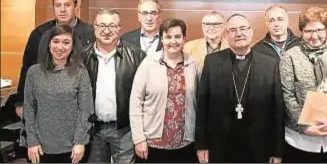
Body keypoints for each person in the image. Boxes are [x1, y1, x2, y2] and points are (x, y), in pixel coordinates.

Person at [195, 14, 284, 163]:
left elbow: (278, 110)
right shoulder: (212, 61)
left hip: (258, 146)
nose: (239, 34)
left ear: (251, 31)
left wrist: (277, 151)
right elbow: (203, 104)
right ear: (226, 35)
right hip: (221, 145)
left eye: (243, 28)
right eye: (233, 30)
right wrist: (201, 144)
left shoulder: (270, 64)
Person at [280, 7, 327, 163]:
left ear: (326, 29)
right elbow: (287, 95)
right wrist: (304, 126)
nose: (314, 36)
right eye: (308, 31)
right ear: (301, 31)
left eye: (320, 30)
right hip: (300, 139)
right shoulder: (290, 57)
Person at [16, 0, 95, 117]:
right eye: (58, 5)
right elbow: (27, 67)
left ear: (76, 7)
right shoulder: (39, 33)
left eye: (67, 5)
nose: (62, 9)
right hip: (44, 101)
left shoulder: (90, 33)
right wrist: (20, 102)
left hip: (79, 101)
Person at [130, 18, 200, 163]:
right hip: (153, 143)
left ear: (184, 38)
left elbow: (200, 103)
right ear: (161, 39)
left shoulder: (193, 64)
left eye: (178, 36)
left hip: (185, 143)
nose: (173, 41)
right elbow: (135, 102)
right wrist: (138, 139)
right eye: (168, 37)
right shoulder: (149, 63)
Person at [81, 9, 146, 163]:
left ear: (120, 28)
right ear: (94, 28)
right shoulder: (81, 56)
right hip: (92, 130)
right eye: (102, 25)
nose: (106, 31)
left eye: (112, 26)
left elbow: (145, 96)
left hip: (124, 130)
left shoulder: (137, 56)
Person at [23, 25, 94, 163]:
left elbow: (85, 110)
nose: (60, 47)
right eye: (56, 41)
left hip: (72, 148)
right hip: (40, 147)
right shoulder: (34, 72)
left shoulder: (80, 72)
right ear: (49, 43)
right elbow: (29, 109)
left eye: (66, 42)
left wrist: (80, 141)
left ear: (72, 46)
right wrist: (31, 141)